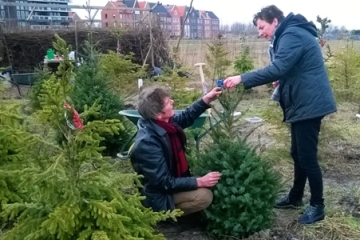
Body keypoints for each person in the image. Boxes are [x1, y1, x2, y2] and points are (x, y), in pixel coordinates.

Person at [223, 5, 337, 225]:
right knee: (297, 153)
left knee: (307, 157)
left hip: (309, 103)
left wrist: (241, 78)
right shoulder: (289, 33)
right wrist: (282, 77)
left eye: (262, 27)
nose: (260, 32)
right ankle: (295, 197)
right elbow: (289, 67)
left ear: (275, 20)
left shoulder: (291, 34)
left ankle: (317, 205)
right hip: (302, 101)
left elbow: (278, 67)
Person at [130, 86, 222, 217]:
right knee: (204, 196)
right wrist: (199, 182)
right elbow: (163, 182)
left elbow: (186, 116)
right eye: (168, 102)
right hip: (157, 195)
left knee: (203, 185)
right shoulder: (148, 143)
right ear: (158, 114)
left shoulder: (165, 124)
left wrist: (206, 99)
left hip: (172, 181)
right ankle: (163, 216)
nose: (172, 102)